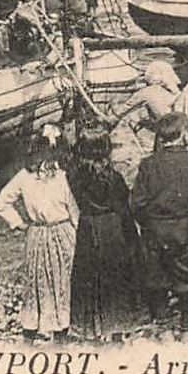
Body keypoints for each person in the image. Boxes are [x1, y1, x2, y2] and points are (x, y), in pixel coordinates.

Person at [131, 112, 188, 333]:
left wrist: (150, 223)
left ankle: (161, 323)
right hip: (187, 229)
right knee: (187, 277)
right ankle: (186, 324)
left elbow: (138, 202)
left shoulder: (147, 165)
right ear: (184, 134)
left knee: (157, 277)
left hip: (156, 229)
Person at [0, 129, 78, 341]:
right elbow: (74, 210)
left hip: (37, 233)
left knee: (37, 283)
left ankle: (31, 329)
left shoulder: (24, 176)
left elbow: (0, 204)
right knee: (63, 280)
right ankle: (61, 331)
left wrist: (19, 223)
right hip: (62, 231)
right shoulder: (64, 176)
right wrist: (78, 231)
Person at [68, 125, 139, 341]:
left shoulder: (73, 175)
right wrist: (133, 238)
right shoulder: (113, 176)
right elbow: (124, 208)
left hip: (87, 227)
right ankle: (116, 327)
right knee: (115, 276)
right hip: (112, 227)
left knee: (88, 276)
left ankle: (88, 327)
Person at [109, 60, 180, 187]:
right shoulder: (174, 93)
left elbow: (122, 111)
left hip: (158, 134)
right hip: (175, 134)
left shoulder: (147, 92)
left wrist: (113, 108)